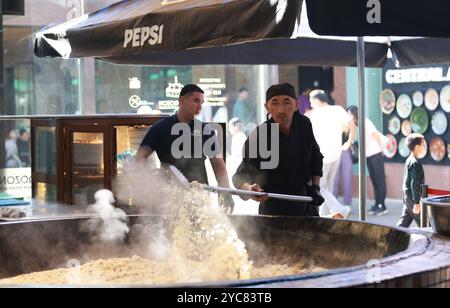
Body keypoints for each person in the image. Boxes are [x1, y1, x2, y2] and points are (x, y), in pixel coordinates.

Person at [136, 84, 234, 213]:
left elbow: (218, 165)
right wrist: (149, 183)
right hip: (167, 197)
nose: (199, 106)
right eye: (196, 100)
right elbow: (140, 157)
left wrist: (226, 193)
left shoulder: (205, 131)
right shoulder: (160, 128)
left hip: (199, 197)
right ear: (181, 100)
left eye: (202, 102)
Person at [233, 83, 324, 217]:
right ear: (266, 107)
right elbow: (239, 177)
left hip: (304, 205)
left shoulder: (304, 124)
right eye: (274, 103)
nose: (281, 110)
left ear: (296, 105)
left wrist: (315, 188)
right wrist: (250, 189)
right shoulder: (259, 136)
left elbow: (316, 157)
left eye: (286, 102)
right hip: (273, 210)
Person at [308, 90, 355, 218]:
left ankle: (341, 211)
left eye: (311, 101)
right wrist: (350, 141)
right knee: (327, 188)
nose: (311, 104)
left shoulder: (315, 114)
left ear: (317, 100)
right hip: (336, 153)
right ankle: (325, 215)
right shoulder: (338, 110)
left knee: (321, 188)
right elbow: (351, 123)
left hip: (322, 156)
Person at [347, 106, 389, 216]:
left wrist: (382, 150)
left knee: (380, 181)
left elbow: (375, 135)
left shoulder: (366, 122)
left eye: (349, 114)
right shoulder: (357, 125)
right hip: (369, 155)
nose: (348, 116)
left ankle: (382, 206)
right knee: (374, 180)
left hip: (376, 154)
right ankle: (377, 203)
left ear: (354, 113)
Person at [397, 133, 426, 228]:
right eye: (423, 145)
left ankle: (392, 237)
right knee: (424, 223)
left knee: (404, 223)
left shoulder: (409, 160)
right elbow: (414, 183)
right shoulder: (415, 163)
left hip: (407, 196)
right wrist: (417, 202)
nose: (425, 147)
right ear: (417, 147)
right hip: (412, 198)